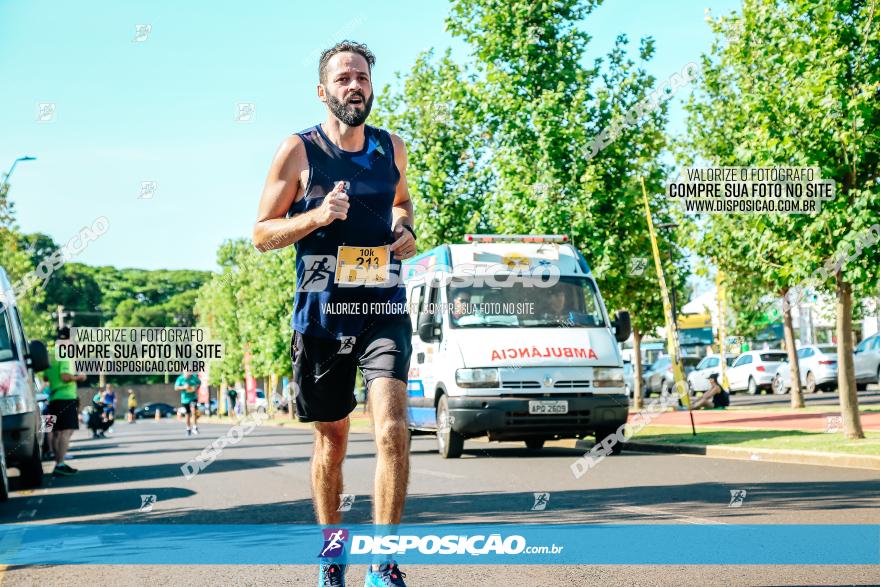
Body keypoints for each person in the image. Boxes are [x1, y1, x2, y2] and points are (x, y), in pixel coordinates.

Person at [253, 41, 416, 587]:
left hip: (382, 304)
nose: (355, 85)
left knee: (393, 429)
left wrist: (403, 229)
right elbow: (261, 234)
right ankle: (332, 552)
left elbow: (402, 202)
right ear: (322, 91)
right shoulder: (297, 151)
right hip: (323, 313)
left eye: (363, 77)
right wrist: (317, 215)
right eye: (343, 78)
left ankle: (384, 562)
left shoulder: (391, 147)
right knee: (333, 438)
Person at [44, 327, 87, 476]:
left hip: (54, 398)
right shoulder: (65, 355)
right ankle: (60, 464)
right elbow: (65, 376)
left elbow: (45, 378)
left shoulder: (50, 356)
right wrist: (79, 377)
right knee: (66, 432)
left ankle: (58, 462)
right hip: (66, 397)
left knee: (56, 433)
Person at [175, 370, 201, 436]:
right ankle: (188, 428)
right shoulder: (180, 379)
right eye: (187, 371)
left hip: (193, 398)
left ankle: (195, 427)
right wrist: (184, 387)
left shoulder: (194, 377)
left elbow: (199, 383)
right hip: (185, 399)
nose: (189, 373)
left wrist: (196, 387)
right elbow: (176, 388)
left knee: (194, 411)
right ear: (184, 372)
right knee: (188, 414)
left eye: (190, 371)